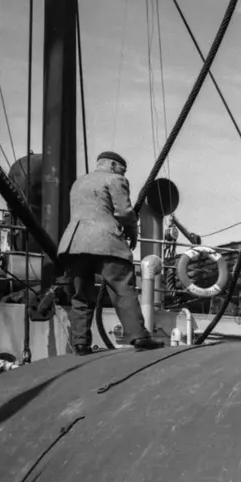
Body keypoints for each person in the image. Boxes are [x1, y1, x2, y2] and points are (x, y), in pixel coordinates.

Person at [58, 150, 162, 354]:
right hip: (106, 242)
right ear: (113, 166)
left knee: (80, 294)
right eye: (123, 170)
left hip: (74, 244)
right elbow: (124, 212)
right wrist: (132, 231)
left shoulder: (78, 183)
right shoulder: (115, 179)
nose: (123, 174)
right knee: (122, 288)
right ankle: (139, 336)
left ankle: (80, 342)